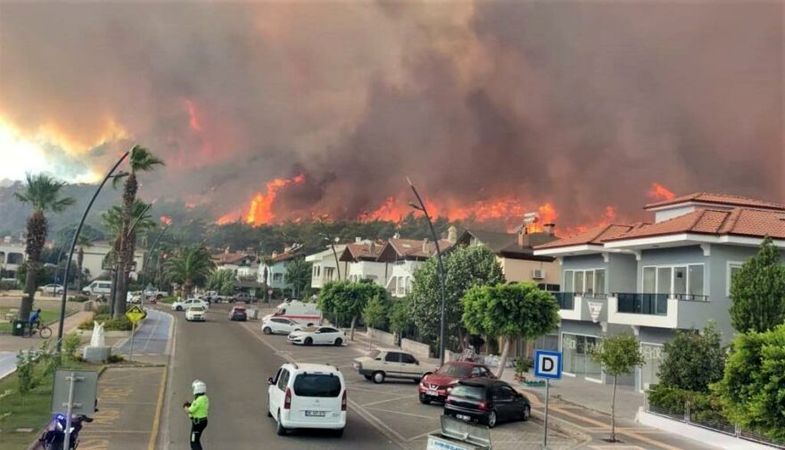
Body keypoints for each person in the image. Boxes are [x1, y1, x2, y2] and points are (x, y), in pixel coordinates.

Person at [184, 379, 209, 450]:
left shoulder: (198, 400)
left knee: (193, 442)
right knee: (197, 440)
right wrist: (191, 405)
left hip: (197, 423)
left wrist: (185, 406)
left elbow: (189, 410)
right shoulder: (205, 398)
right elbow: (197, 407)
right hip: (203, 421)